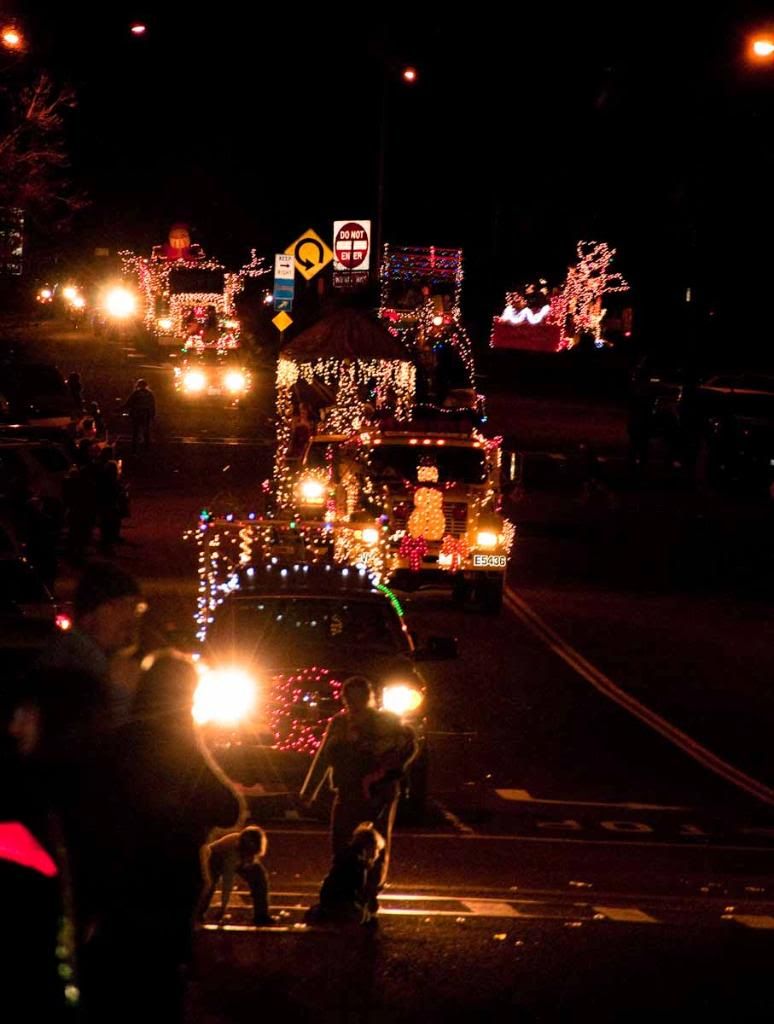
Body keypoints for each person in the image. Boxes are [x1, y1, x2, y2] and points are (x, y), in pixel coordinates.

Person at [83, 651, 243, 1022]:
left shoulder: (119, 740)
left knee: (115, 983)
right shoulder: (181, 747)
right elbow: (227, 807)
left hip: (120, 878)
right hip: (171, 878)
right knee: (161, 987)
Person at [299, 676, 417, 914]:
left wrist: (391, 770)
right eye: (349, 698)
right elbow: (324, 757)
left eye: (358, 698)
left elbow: (409, 744)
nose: (353, 703)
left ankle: (369, 894)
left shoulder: (386, 722)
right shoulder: (340, 723)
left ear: (368, 698)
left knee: (374, 845)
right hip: (348, 788)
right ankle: (341, 893)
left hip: (379, 791)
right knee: (341, 841)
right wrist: (308, 791)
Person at [304, 822, 385, 927]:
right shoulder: (359, 864)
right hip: (342, 904)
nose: (377, 854)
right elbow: (357, 892)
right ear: (369, 847)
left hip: (330, 900)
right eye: (377, 850)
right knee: (365, 917)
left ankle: (323, 913)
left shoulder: (347, 856)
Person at [200, 825, 275, 926]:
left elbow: (250, 863)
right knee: (209, 885)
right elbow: (227, 881)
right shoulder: (232, 853)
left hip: (235, 857)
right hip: (214, 859)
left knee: (259, 877)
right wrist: (223, 907)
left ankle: (261, 915)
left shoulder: (248, 848)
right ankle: (199, 912)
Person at [124, 378, 156, 452]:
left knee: (136, 432)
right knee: (146, 432)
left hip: (137, 415)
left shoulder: (136, 393)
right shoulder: (150, 394)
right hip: (146, 415)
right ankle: (146, 448)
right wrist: (152, 415)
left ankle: (134, 449)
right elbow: (152, 405)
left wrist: (120, 409)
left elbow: (129, 403)